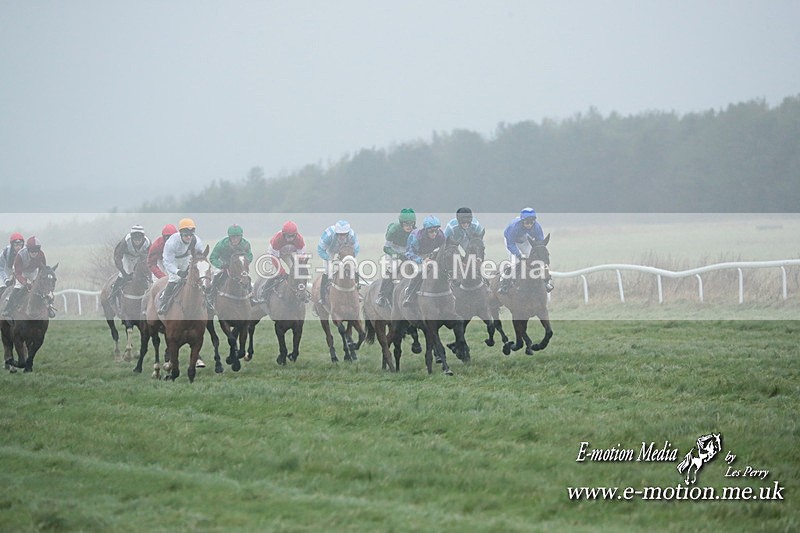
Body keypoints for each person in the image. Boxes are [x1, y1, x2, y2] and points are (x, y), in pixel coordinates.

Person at [499, 207, 553, 293]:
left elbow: (540, 243)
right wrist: (519, 255)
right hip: (512, 242)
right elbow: (511, 244)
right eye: (527, 222)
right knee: (515, 262)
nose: (529, 224)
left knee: (534, 260)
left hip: (525, 241)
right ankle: (504, 284)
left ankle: (546, 282)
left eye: (532, 221)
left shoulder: (537, 228)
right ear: (522, 221)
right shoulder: (513, 228)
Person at [158, 218, 206, 315]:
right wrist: (177, 271)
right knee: (175, 279)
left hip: (187, 259)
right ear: (180, 234)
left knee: (195, 279)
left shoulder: (197, 242)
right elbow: (167, 261)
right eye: (186, 235)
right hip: (172, 261)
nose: (189, 237)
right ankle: (164, 303)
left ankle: (206, 302)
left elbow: (199, 258)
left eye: (190, 235)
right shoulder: (171, 243)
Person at [3, 236, 56, 318]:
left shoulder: (41, 254)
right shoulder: (20, 255)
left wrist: (38, 280)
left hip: (33, 271)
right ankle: (8, 309)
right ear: (28, 249)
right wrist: (25, 282)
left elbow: (43, 269)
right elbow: (17, 273)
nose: (34, 254)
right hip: (20, 271)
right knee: (18, 287)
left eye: (36, 251)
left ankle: (49, 307)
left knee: (42, 288)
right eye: (32, 251)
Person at [375, 208, 416, 307]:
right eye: (406, 224)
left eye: (411, 224)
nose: (409, 227)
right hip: (392, 251)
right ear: (401, 223)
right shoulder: (393, 230)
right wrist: (398, 256)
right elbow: (386, 248)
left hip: (407, 251)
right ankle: (382, 295)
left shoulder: (415, 231)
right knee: (393, 268)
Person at [402, 215, 445, 307]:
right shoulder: (416, 237)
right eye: (431, 231)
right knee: (420, 271)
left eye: (436, 231)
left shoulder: (441, 235)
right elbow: (408, 253)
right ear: (426, 230)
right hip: (417, 255)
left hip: (432, 255)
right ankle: (409, 294)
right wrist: (421, 260)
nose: (434, 234)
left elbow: (443, 249)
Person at [259, 221, 307, 298]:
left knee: (295, 271)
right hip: (275, 254)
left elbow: (301, 258)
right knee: (277, 274)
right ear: (283, 234)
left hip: (287, 254)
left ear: (296, 234)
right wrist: (282, 272)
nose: (290, 238)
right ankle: (264, 293)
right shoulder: (277, 239)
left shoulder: (299, 239)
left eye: (292, 236)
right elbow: (275, 260)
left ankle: (299, 290)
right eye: (288, 236)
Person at [316, 220, 360, 306]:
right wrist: (329, 259)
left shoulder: (352, 235)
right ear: (336, 233)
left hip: (345, 252)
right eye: (340, 234)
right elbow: (320, 249)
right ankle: (322, 296)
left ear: (347, 233)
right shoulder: (328, 236)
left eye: (344, 234)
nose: (342, 236)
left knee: (355, 268)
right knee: (327, 271)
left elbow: (356, 249)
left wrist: (349, 258)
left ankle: (357, 291)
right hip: (330, 251)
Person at [208, 224, 253, 303]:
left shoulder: (245, 244)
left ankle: (251, 298)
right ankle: (211, 298)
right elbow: (213, 257)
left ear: (241, 237)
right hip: (224, 264)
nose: (235, 240)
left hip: (238, 266)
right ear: (229, 237)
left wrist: (244, 264)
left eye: (237, 237)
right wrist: (220, 265)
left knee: (247, 278)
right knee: (216, 277)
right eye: (233, 237)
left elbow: (249, 255)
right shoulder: (221, 244)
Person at [108, 225, 151, 304]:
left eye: (139, 239)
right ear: (132, 237)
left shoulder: (147, 243)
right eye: (135, 239)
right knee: (123, 274)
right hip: (127, 257)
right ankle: (113, 295)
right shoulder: (125, 241)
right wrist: (124, 272)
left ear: (143, 238)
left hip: (140, 258)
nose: (137, 241)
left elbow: (150, 258)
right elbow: (117, 257)